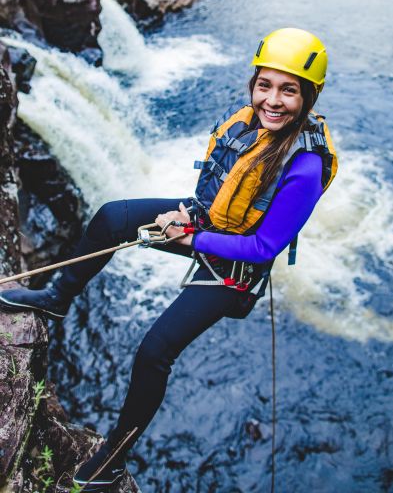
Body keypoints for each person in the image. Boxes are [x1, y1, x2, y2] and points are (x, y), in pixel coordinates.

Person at [0, 28, 337, 490]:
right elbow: (221, 189)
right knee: (112, 217)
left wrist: (190, 238)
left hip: (235, 273)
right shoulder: (250, 124)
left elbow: (262, 248)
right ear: (253, 84)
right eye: (265, 85)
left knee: (154, 353)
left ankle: (113, 458)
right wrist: (190, 218)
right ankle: (57, 296)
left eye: (289, 89)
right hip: (206, 226)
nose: (272, 100)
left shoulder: (305, 167)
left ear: (309, 95)